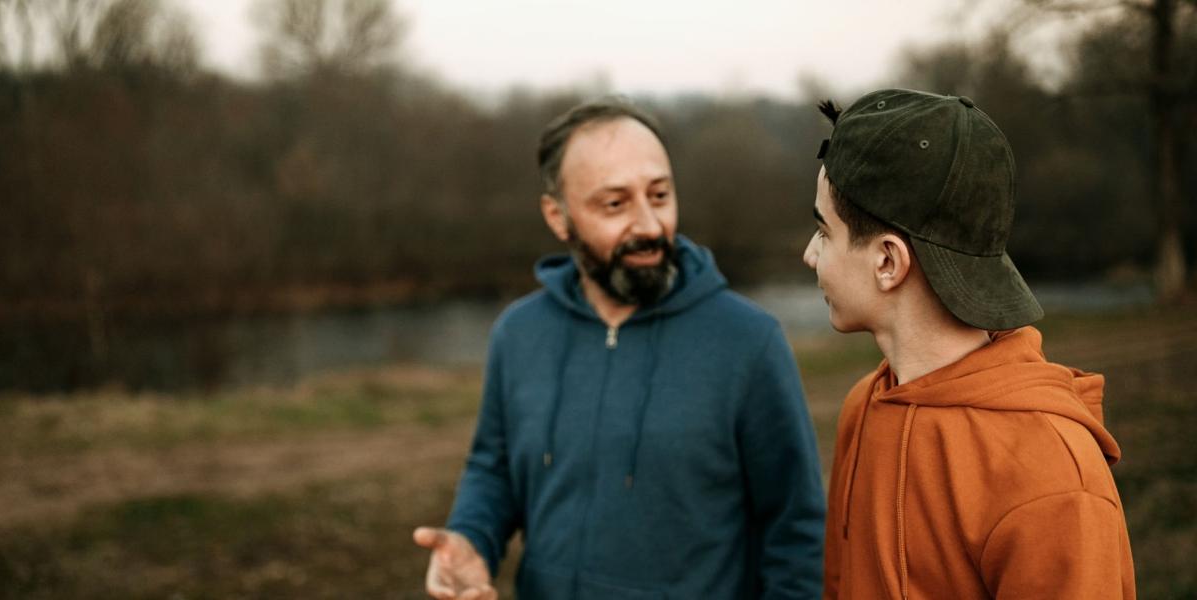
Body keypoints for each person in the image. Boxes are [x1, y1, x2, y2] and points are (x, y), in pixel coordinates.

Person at [412, 97, 826, 599]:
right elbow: (494, 470)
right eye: (615, 204)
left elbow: (796, 534)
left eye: (659, 195)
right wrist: (473, 540)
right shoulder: (518, 334)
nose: (649, 226)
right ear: (558, 216)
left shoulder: (749, 342)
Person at [803, 88, 1136, 599]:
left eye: (824, 232)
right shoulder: (862, 409)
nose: (809, 255)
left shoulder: (1052, 481)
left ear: (887, 262)